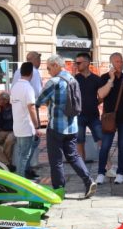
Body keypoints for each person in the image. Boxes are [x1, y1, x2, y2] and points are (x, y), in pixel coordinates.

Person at [36, 55, 97, 198]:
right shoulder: (73, 80)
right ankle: (88, 181)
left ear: (56, 65)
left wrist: (47, 103)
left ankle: (59, 190)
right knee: (74, 156)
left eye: (49, 68)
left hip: (56, 127)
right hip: (72, 126)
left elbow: (38, 101)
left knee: (56, 160)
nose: (48, 71)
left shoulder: (54, 82)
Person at [95, 52, 123, 185]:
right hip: (109, 118)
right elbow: (101, 94)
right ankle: (101, 173)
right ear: (111, 63)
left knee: (122, 146)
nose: (119, 64)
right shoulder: (104, 78)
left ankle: (120, 173)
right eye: (116, 62)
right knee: (105, 146)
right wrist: (111, 79)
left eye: (121, 61)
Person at [10, 61, 41, 180]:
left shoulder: (15, 87)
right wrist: (37, 126)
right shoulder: (28, 88)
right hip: (26, 126)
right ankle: (21, 179)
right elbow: (32, 107)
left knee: (22, 153)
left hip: (17, 125)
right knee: (25, 155)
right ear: (31, 73)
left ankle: (22, 176)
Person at [74, 52, 102, 161]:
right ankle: (83, 167)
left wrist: (95, 103)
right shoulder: (74, 78)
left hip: (93, 115)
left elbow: (102, 95)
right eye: (76, 63)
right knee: (80, 142)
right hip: (79, 115)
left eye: (78, 63)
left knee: (101, 140)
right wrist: (73, 73)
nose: (76, 65)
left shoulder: (96, 79)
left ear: (86, 63)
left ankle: (108, 166)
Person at [0, 91, 16, 168]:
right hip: (2, 131)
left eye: (3, 99)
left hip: (13, 130)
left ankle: (6, 164)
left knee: (9, 140)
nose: (1, 101)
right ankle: (7, 163)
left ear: (7, 100)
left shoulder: (13, 108)